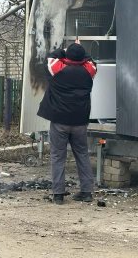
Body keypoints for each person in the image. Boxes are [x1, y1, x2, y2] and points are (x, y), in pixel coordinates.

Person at [37, 42, 97, 205]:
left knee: (58, 156)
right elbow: (91, 60)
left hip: (59, 121)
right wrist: (79, 50)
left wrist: (64, 50)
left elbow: (51, 57)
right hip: (80, 122)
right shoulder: (89, 70)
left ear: (67, 56)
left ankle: (58, 195)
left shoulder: (58, 68)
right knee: (82, 155)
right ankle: (86, 192)